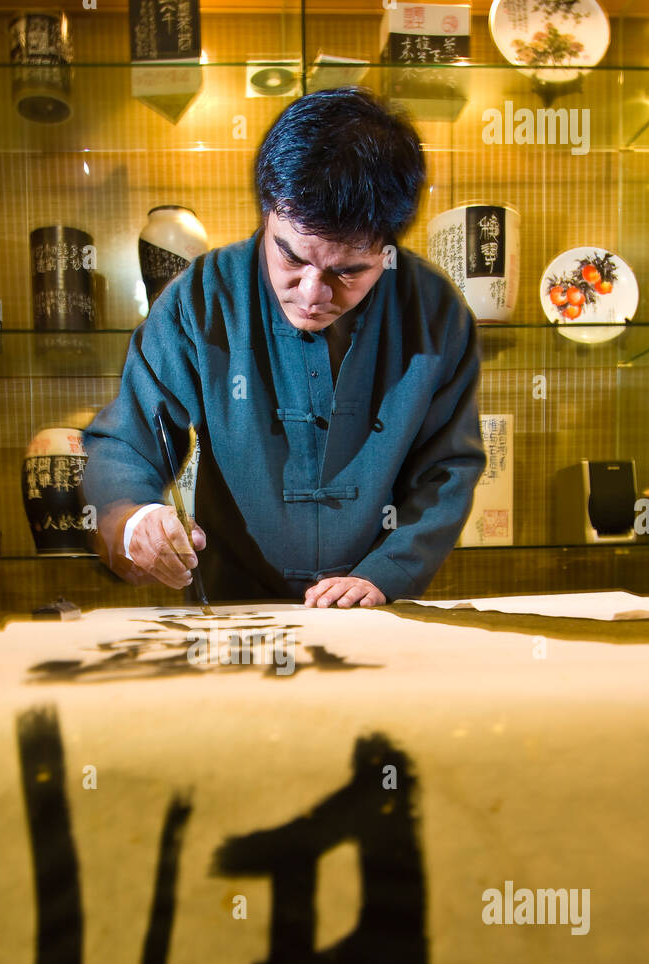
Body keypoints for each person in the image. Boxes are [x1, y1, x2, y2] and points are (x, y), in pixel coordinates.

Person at [82, 88, 486, 608]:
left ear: (387, 248)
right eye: (290, 257)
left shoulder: (434, 312)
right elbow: (125, 441)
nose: (313, 294)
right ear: (268, 211)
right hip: (230, 609)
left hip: (376, 612)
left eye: (348, 271)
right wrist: (137, 519)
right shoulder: (204, 296)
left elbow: (448, 468)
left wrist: (388, 572)